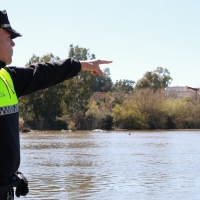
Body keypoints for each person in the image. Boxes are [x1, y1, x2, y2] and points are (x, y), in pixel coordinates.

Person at [0, 10, 112, 199]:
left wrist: (82, 64)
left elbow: (45, 72)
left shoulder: (7, 78)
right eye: (9, 36)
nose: (13, 43)